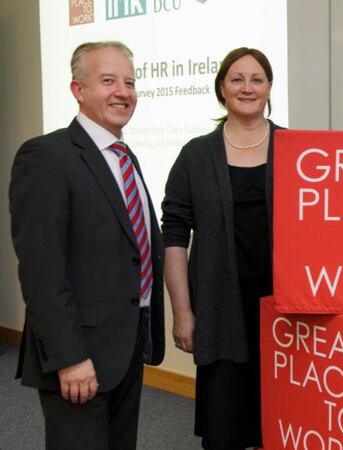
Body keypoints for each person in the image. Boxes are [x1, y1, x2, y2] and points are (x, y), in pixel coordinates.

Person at [161, 47, 343, 450]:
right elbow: (175, 236)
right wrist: (182, 313)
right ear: (222, 88)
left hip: (289, 313)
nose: (247, 87)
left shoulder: (297, 148)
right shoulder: (195, 155)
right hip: (220, 310)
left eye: (257, 79)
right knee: (224, 429)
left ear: (268, 88)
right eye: (237, 79)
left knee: (288, 424)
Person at [9, 41, 164, 449]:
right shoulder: (46, 156)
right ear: (78, 90)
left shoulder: (125, 157)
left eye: (129, 82)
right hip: (79, 355)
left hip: (127, 345)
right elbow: (41, 270)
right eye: (108, 80)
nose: (123, 92)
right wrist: (69, 357)